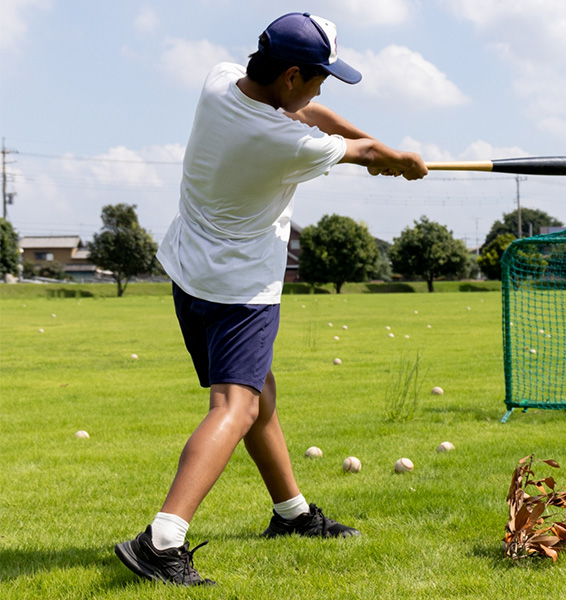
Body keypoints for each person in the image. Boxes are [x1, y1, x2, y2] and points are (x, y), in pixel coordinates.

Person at [114, 12, 428, 586]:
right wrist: (395, 160)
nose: (319, 89)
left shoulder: (220, 81)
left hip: (190, 276)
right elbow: (343, 148)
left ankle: (293, 514)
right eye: (318, 78)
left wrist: (377, 147)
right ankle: (162, 540)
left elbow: (320, 121)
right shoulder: (284, 142)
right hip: (240, 290)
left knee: (261, 393)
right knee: (236, 407)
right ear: (290, 75)